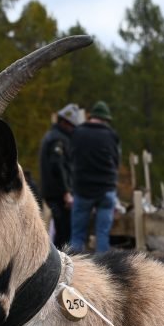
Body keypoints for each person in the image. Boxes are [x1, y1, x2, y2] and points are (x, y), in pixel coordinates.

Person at [70, 101, 120, 254]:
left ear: (91, 117)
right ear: (105, 119)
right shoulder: (111, 135)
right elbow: (116, 162)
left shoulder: (77, 132)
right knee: (102, 234)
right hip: (106, 190)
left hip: (82, 189)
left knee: (78, 235)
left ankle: (75, 271)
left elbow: (71, 157)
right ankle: (102, 272)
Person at [39, 103, 82, 248]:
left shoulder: (53, 136)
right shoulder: (58, 140)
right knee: (64, 232)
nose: (73, 129)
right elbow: (58, 167)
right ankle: (62, 263)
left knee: (61, 232)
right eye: (71, 125)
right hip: (58, 194)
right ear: (64, 123)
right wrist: (66, 192)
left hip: (54, 192)